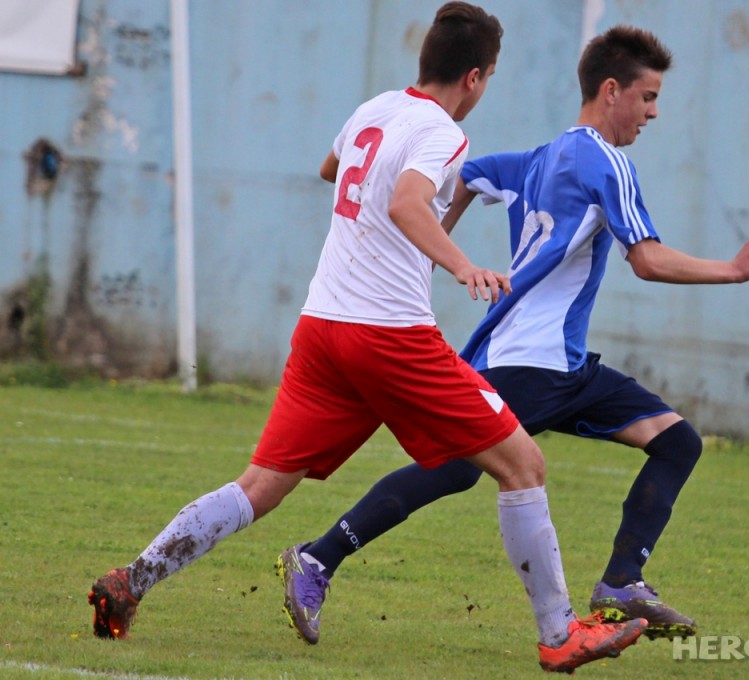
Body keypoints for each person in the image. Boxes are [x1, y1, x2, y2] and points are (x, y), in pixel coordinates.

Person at [88, 4, 648, 673]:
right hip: (388, 334)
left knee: (260, 486)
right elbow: (406, 203)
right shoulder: (443, 133)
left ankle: (132, 580)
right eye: (490, 77)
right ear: (475, 77)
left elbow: (334, 170)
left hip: (323, 327)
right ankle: (560, 635)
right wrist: (463, 264)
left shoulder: (374, 109)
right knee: (523, 465)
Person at [280, 24, 749, 647]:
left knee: (676, 441)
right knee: (456, 468)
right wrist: (732, 271)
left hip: (563, 367)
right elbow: (645, 259)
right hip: (529, 364)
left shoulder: (542, 157)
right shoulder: (607, 161)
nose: (653, 113)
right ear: (611, 90)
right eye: (648, 98)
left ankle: (622, 583)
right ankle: (320, 558)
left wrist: (440, 241)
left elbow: (469, 176)